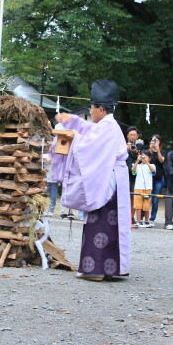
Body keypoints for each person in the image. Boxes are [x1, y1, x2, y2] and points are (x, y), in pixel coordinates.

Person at [52, 79, 131, 281]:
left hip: (107, 182)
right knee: (103, 223)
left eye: (92, 108)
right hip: (107, 178)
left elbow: (86, 147)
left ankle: (97, 269)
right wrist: (68, 123)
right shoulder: (106, 126)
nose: (91, 111)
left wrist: (72, 137)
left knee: (102, 224)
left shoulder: (107, 127)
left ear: (101, 109)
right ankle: (101, 268)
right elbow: (86, 132)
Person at [131, 148, 155, 228]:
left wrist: (147, 162)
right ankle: (138, 221)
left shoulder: (151, 165)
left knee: (146, 206)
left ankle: (147, 221)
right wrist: (137, 161)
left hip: (148, 188)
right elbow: (133, 171)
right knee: (138, 206)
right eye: (142, 156)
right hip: (138, 187)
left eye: (146, 157)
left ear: (149, 158)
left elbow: (153, 171)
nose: (144, 158)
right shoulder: (138, 166)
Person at [147, 134, 165, 227]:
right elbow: (145, 160)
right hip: (147, 178)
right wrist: (150, 149)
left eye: (157, 140)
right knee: (145, 198)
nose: (154, 142)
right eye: (153, 140)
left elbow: (161, 160)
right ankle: (144, 217)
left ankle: (152, 218)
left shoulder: (162, 151)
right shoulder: (147, 151)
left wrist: (157, 150)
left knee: (155, 200)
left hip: (158, 178)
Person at [125, 126, 141, 224]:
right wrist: (125, 149)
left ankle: (131, 217)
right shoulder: (122, 145)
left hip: (135, 175)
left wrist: (136, 152)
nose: (132, 136)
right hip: (124, 173)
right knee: (123, 195)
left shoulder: (140, 146)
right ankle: (123, 216)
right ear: (127, 136)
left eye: (134, 135)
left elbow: (145, 158)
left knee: (133, 196)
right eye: (131, 134)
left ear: (137, 136)